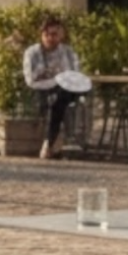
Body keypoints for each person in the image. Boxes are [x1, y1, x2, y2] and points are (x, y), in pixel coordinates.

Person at [22, 14, 85, 161]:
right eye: (47, 34)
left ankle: (49, 143)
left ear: (61, 35)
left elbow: (75, 75)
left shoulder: (68, 52)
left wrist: (60, 78)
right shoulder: (32, 53)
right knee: (56, 102)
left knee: (63, 98)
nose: (50, 38)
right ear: (41, 34)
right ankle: (57, 142)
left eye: (55, 34)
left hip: (64, 91)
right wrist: (51, 76)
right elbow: (31, 81)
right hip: (39, 91)